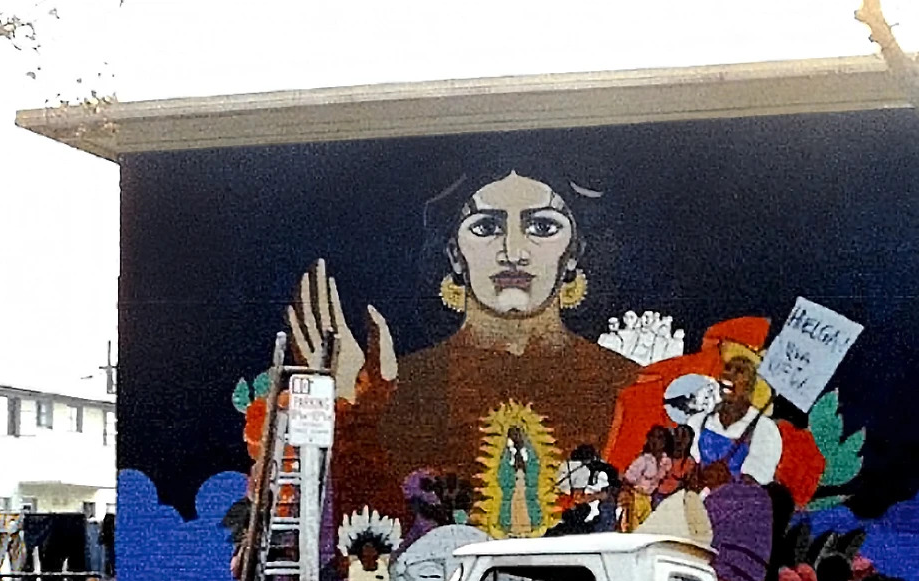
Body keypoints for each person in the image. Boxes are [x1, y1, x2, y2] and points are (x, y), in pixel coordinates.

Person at [287, 167, 640, 538]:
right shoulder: (399, 391)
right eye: (486, 228)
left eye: (543, 227)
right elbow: (365, 554)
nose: (514, 253)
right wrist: (354, 422)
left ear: (574, 253)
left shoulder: (627, 386)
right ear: (454, 254)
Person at [686, 343, 782, 486]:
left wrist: (727, 480)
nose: (727, 375)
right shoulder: (699, 421)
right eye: (727, 368)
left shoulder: (764, 429)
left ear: (750, 386)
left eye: (739, 371)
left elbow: (758, 484)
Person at [622, 426, 673, 530]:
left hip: (648, 499)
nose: (655, 441)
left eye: (659, 437)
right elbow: (627, 480)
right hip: (635, 498)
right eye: (652, 437)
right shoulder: (643, 460)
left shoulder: (666, 462)